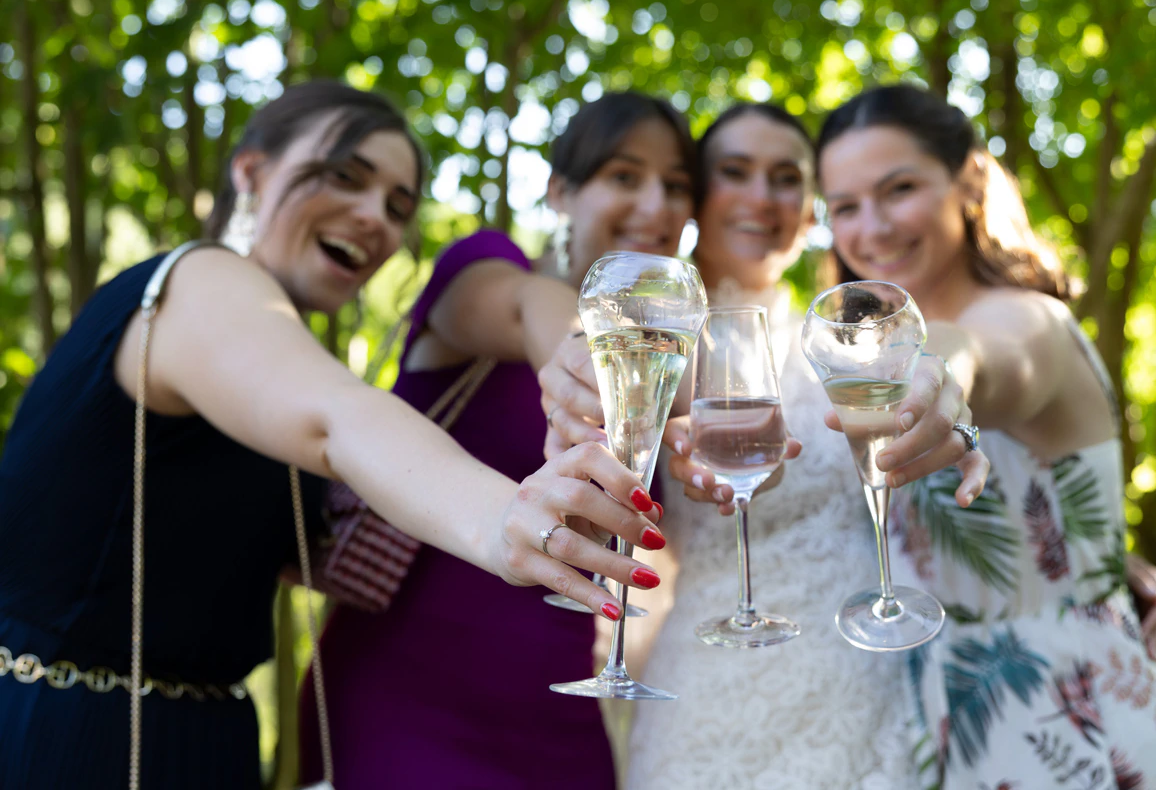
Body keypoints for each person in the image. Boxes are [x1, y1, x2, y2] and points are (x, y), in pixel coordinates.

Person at [0, 80, 666, 790]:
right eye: (345, 177)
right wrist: (504, 516)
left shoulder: (279, 354)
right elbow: (337, 417)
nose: (374, 216)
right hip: (72, 732)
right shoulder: (198, 278)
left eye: (398, 206)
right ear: (251, 172)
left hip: (209, 743)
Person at [539, 101, 986, 789]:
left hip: (866, 687)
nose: (760, 197)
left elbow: (960, 378)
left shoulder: (848, 338)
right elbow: (614, 412)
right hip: (709, 694)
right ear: (698, 198)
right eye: (735, 172)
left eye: (784, 178)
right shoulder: (659, 339)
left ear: (810, 210)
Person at [299, 91, 697, 789]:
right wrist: (579, 354)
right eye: (625, 176)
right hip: (408, 706)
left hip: (567, 716)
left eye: (677, 186)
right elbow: (525, 305)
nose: (657, 205)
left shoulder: (665, 360)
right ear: (561, 192)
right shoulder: (485, 268)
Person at [814, 83, 1156, 788]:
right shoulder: (860, 362)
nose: (871, 226)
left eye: (898, 188)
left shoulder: (1028, 322)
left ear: (968, 180)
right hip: (953, 725)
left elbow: (989, 359)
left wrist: (947, 372)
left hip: (1076, 729)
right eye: (844, 207)